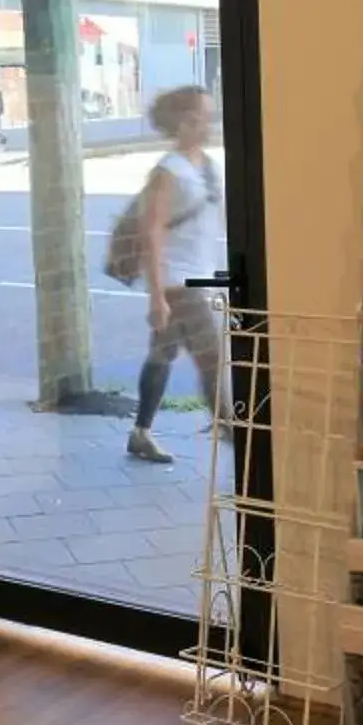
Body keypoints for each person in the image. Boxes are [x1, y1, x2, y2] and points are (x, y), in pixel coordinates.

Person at [128, 85, 225, 465]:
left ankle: (140, 432)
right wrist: (157, 296)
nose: (210, 122)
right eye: (203, 116)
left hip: (199, 276)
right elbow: (150, 232)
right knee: (213, 358)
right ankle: (233, 430)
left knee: (161, 355)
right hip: (178, 282)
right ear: (184, 122)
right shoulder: (167, 171)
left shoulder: (206, 164)